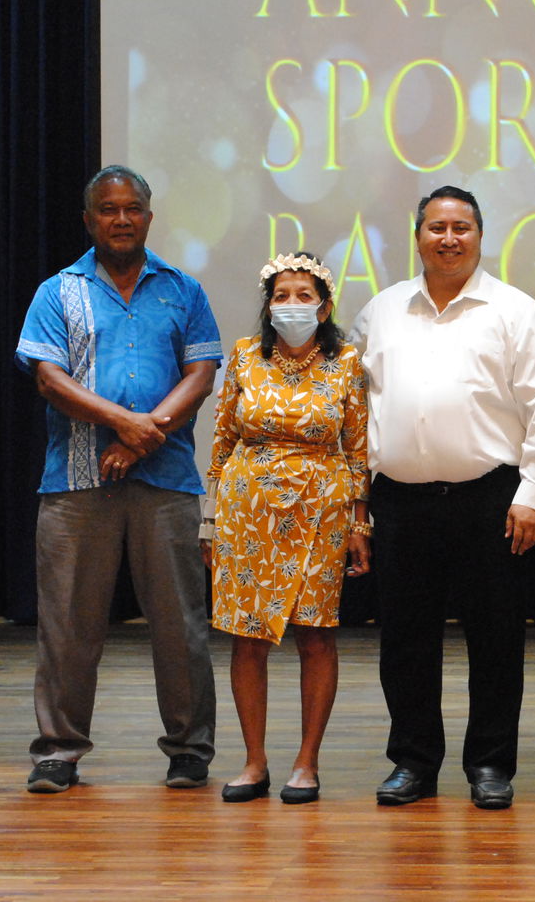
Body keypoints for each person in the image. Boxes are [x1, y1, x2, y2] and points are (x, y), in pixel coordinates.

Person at [349, 186, 535, 810]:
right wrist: (358, 506)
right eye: (437, 227)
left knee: (496, 638)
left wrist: (531, 495)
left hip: (491, 500)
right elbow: (358, 415)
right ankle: (413, 763)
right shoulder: (383, 312)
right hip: (401, 502)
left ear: (480, 235)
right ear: (417, 234)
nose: (449, 238)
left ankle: (491, 765)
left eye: (462, 227)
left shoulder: (515, 310)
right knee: (405, 640)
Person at [16, 164, 220, 793]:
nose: (122, 219)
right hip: (76, 483)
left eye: (132, 209)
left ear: (149, 218)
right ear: (89, 220)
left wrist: (141, 437)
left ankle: (188, 749)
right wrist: (126, 425)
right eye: (109, 209)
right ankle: (59, 749)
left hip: (166, 483)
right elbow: (50, 379)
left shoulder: (182, 289)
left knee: (179, 623)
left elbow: (203, 372)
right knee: (69, 626)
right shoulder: (58, 291)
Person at [204, 252, 369, 804]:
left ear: (323, 307)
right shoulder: (246, 357)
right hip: (246, 513)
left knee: (315, 634)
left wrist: (360, 521)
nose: (293, 305)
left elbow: (357, 450)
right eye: (282, 295)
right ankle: (253, 761)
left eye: (305, 295)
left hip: (322, 510)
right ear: (267, 304)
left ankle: (307, 763)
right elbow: (223, 442)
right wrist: (209, 523)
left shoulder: (346, 362)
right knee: (247, 636)